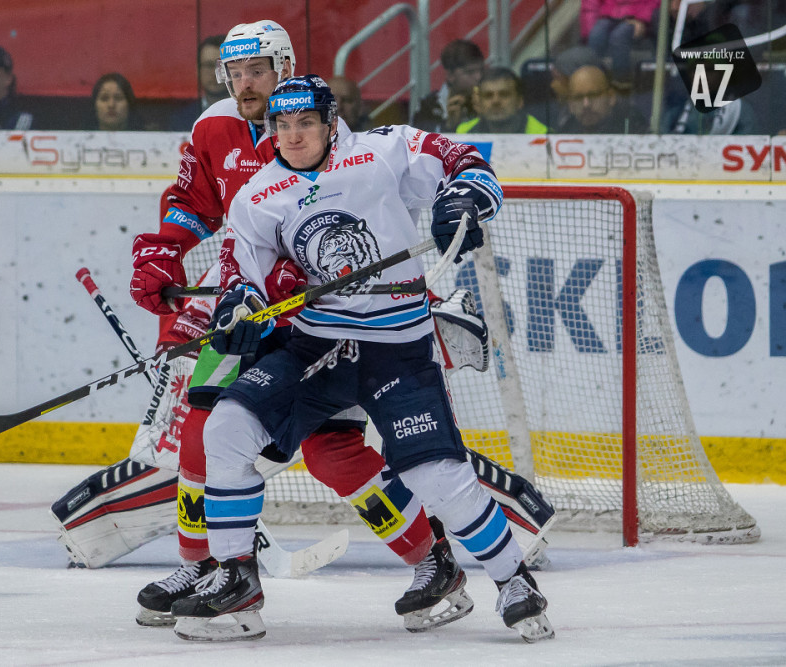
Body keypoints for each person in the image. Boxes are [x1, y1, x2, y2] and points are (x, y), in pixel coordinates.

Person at [169, 75, 553, 644]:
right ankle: (237, 580)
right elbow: (240, 274)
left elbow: (466, 161)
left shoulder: (383, 150)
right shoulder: (258, 194)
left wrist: (466, 198)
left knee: (435, 475)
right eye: (282, 125)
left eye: (305, 123)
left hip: (395, 347)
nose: (293, 136)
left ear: (330, 123)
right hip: (317, 345)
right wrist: (240, 310)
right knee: (225, 429)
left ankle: (513, 580)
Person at [128, 20, 466, 634]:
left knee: (333, 452)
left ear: (283, 68)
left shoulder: (318, 128)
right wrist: (163, 250)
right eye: (234, 73)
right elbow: (194, 204)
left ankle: (431, 559)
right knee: (204, 425)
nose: (244, 84)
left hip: (328, 322)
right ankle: (204, 567)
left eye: (256, 70)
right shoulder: (213, 127)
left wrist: (300, 273)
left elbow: (356, 218)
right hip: (251, 313)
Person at [415, 39, 485, 132]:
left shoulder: (488, 99)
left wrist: (485, 118)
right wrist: (449, 126)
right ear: (450, 75)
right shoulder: (428, 105)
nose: (478, 77)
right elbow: (419, 138)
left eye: (481, 70)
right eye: (470, 72)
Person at [582, 0, 660, 83]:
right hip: (609, 13)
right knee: (596, 35)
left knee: (619, 37)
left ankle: (621, 81)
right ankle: (594, 80)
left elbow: (654, 2)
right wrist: (588, 33)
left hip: (637, 16)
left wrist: (642, 20)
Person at [556, 64, 648, 133]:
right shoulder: (564, 131)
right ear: (571, 105)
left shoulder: (633, 127)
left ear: (611, 97)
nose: (586, 104)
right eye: (578, 98)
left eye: (593, 96)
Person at [455, 67, 549, 134]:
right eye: (488, 96)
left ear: (520, 101)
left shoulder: (543, 135)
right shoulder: (464, 134)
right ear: (479, 102)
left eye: (504, 94)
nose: (496, 101)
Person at [168, 35, 233, 130]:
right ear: (198, 70)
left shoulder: (248, 113)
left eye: (221, 66)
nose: (214, 73)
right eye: (208, 65)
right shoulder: (182, 119)